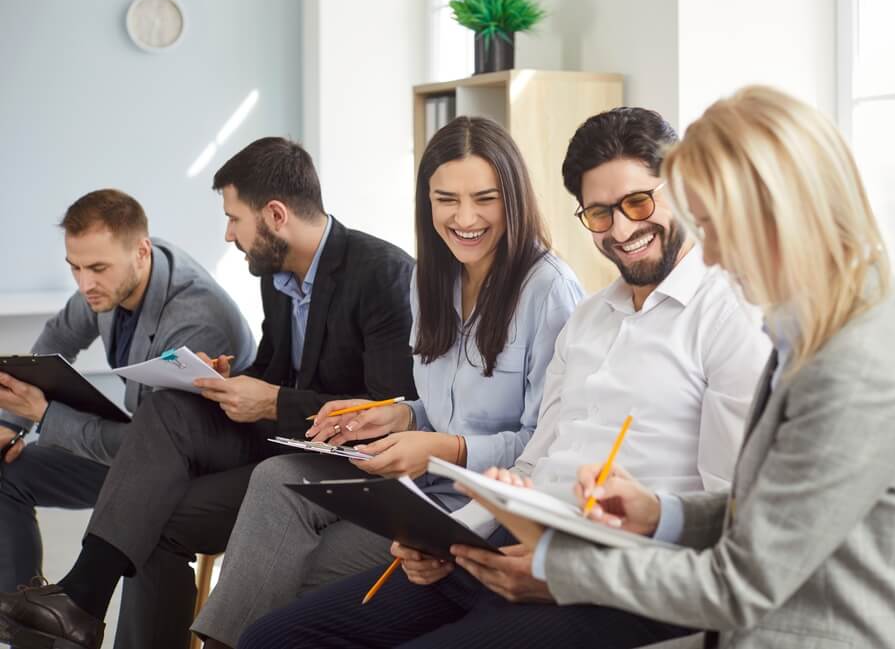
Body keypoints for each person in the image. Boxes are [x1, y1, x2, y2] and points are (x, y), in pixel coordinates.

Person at [236, 107, 771, 649]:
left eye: (639, 202)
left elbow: (730, 518)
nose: (624, 228)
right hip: (515, 546)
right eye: (601, 213)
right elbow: (535, 462)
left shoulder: (728, 316)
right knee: (274, 639)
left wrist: (573, 572)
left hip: (613, 585)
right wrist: (450, 537)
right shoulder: (589, 319)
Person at [469, 86, 895, 647]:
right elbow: (774, 511)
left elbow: (739, 584)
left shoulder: (859, 366)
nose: (713, 254)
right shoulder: (829, 319)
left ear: (782, 215)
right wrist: (661, 514)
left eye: (719, 228)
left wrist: (565, 571)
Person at [0, 137, 418, 649]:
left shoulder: (382, 274)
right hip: (279, 437)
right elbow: (277, 370)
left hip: (341, 461)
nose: (227, 234)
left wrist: (271, 400)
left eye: (234, 218)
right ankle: (80, 601)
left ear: (276, 215)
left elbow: (388, 409)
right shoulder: (279, 275)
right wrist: (227, 377)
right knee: (172, 410)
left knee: (149, 520)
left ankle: (80, 601)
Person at [192, 116, 583, 649]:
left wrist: (442, 448)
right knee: (277, 481)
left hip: (483, 519)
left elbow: (546, 444)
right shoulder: (432, 279)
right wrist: (398, 413)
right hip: (419, 500)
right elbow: (442, 405)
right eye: (447, 199)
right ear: (427, 200)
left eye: (484, 199)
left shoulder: (548, 291)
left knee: (286, 588)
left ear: (512, 198)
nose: (464, 218)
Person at [0, 189, 255, 602]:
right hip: (140, 452)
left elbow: (153, 448)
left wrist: (45, 416)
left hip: (198, 472)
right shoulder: (111, 283)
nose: (84, 284)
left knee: (144, 524)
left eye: (97, 268)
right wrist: (9, 424)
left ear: (141, 251)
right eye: (75, 268)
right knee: (5, 471)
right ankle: (24, 625)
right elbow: (55, 341)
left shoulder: (195, 318)